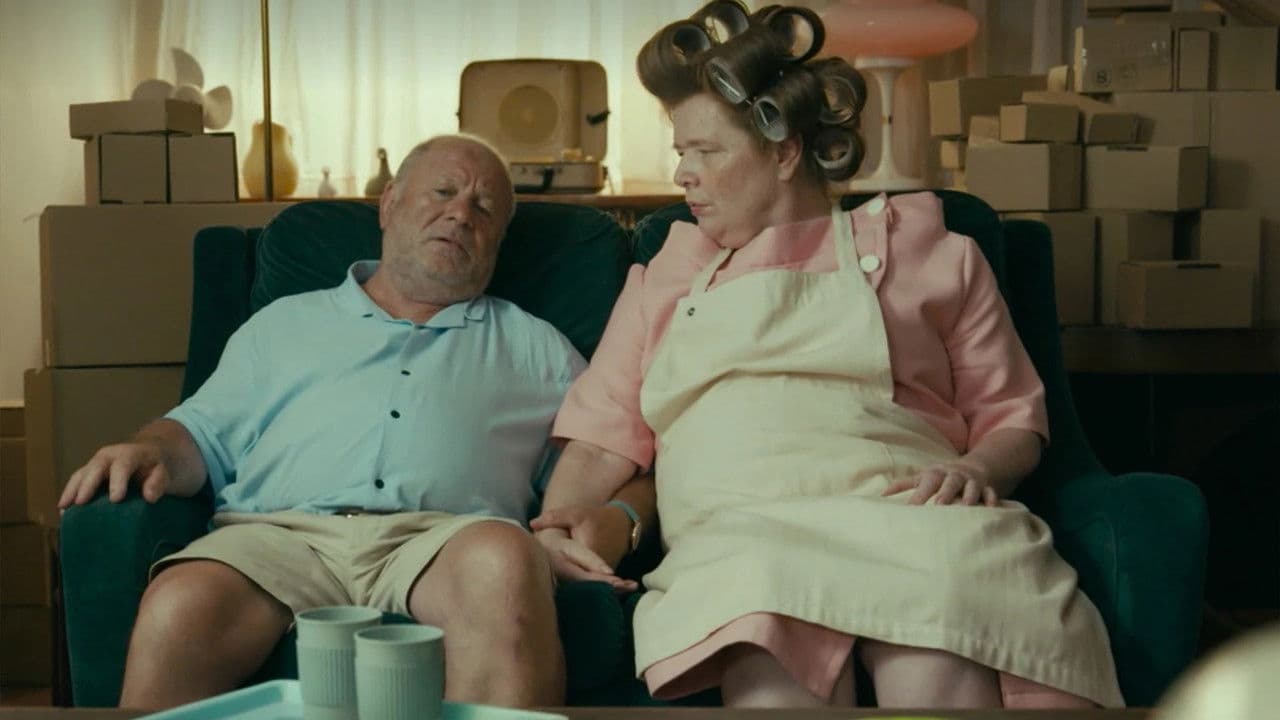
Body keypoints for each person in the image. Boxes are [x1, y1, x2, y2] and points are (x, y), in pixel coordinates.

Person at [532, 1, 1125, 710]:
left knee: (937, 658)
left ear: (784, 151)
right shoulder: (667, 275)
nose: (684, 173)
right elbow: (600, 441)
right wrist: (560, 527)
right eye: (680, 151)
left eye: (706, 152)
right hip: (742, 534)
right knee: (766, 662)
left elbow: (1014, 419)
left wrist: (976, 469)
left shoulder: (928, 250)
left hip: (911, 516)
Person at [58, 134, 636, 711]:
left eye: (484, 208)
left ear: (499, 240)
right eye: (443, 192)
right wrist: (149, 448)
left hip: (447, 541)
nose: (461, 214)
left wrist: (612, 519)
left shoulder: (538, 347)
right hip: (280, 538)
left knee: (505, 567)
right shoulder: (283, 324)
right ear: (389, 204)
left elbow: (608, 454)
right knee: (178, 605)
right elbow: (199, 435)